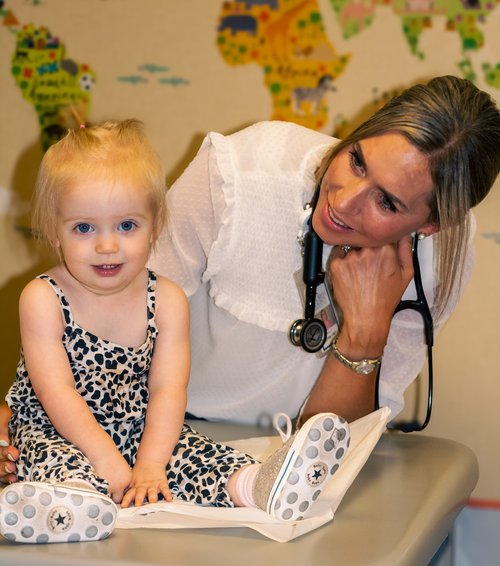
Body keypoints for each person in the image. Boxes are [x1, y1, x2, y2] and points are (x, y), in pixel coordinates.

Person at [1, 75, 499, 470]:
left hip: (290, 466)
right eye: (357, 159)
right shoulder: (242, 171)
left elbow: (330, 449)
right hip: (156, 431)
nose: (344, 200)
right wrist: (21, 418)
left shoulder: (436, 266)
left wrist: (365, 334)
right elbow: (103, 317)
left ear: (431, 224)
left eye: (387, 202)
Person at [0, 120, 350, 544]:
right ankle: (66, 504)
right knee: (57, 460)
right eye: (84, 228)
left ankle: (258, 485)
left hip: (141, 426)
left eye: (127, 226)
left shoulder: (165, 299)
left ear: (156, 224)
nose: (107, 246)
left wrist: (150, 464)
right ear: (54, 232)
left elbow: (168, 389)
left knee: (196, 454)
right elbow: (57, 395)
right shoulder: (42, 299)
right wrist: (108, 463)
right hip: (59, 428)